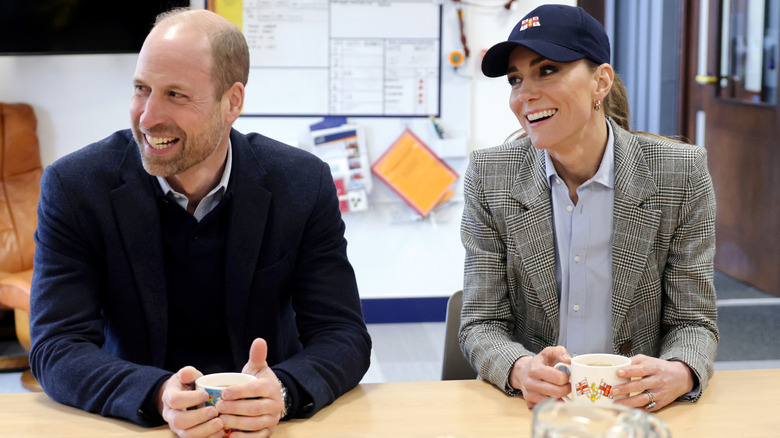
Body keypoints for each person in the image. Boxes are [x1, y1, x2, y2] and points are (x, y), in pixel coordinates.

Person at [29, 8, 371, 437]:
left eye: (176, 94)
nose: (148, 117)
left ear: (232, 103)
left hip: (265, 428)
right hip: (139, 423)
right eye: (141, 89)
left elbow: (342, 334)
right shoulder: (76, 187)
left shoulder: (301, 183)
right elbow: (57, 346)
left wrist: (282, 391)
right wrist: (157, 394)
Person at [459, 4, 718, 413]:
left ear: (601, 82)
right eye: (515, 79)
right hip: (535, 410)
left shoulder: (679, 173)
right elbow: (481, 323)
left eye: (546, 70)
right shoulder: (490, 177)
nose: (524, 94)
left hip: (635, 409)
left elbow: (694, 322)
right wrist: (519, 367)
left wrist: (681, 369)